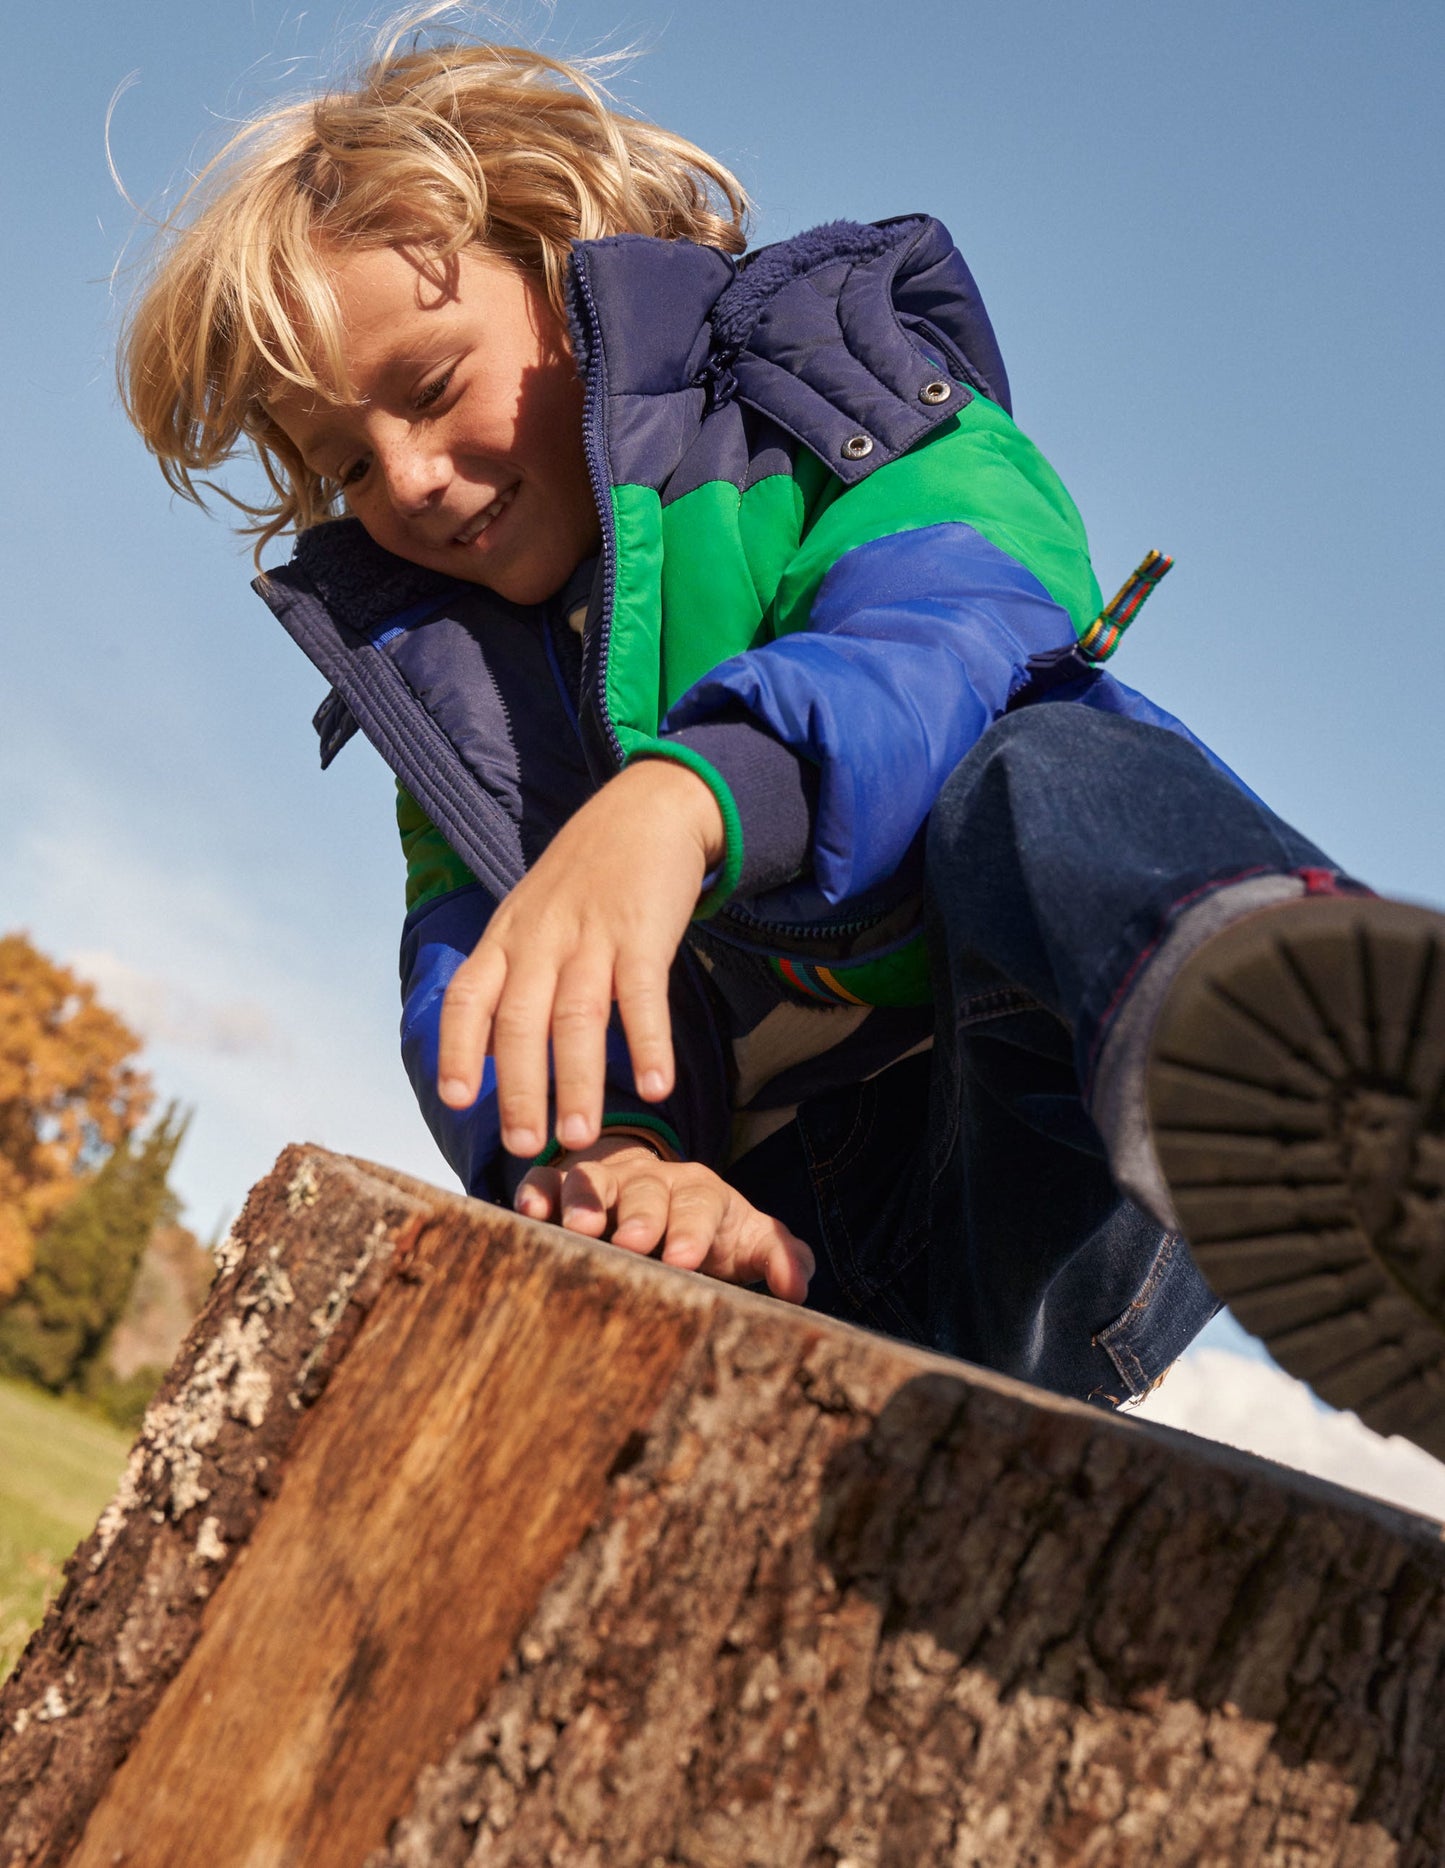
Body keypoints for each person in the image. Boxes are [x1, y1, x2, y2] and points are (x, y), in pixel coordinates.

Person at [120, 27, 1445, 1454]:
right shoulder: (446, 691)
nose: (412, 483)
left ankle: (1289, 1068)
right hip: (769, 1240)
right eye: (342, 465)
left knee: (1037, 758)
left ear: (561, 262)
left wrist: (693, 793)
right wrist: (608, 1154)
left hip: (1036, 1143)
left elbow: (956, 617)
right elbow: (478, 976)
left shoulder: (827, 398)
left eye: (432, 389)